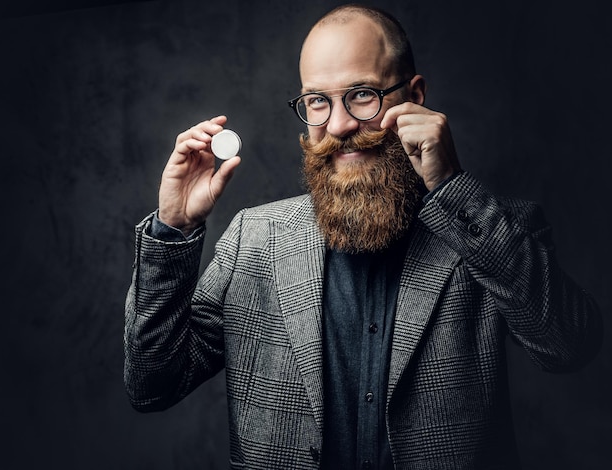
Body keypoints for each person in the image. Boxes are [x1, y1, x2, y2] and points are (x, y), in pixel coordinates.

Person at [124, 4, 602, 469]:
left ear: (413, 95)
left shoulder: (494, 229)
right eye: (317, 100)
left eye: (362, 95)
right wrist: (174, 228)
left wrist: (454, 189)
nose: (339, 125)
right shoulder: (254, 239)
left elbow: (568, 346)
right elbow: (153, 386)